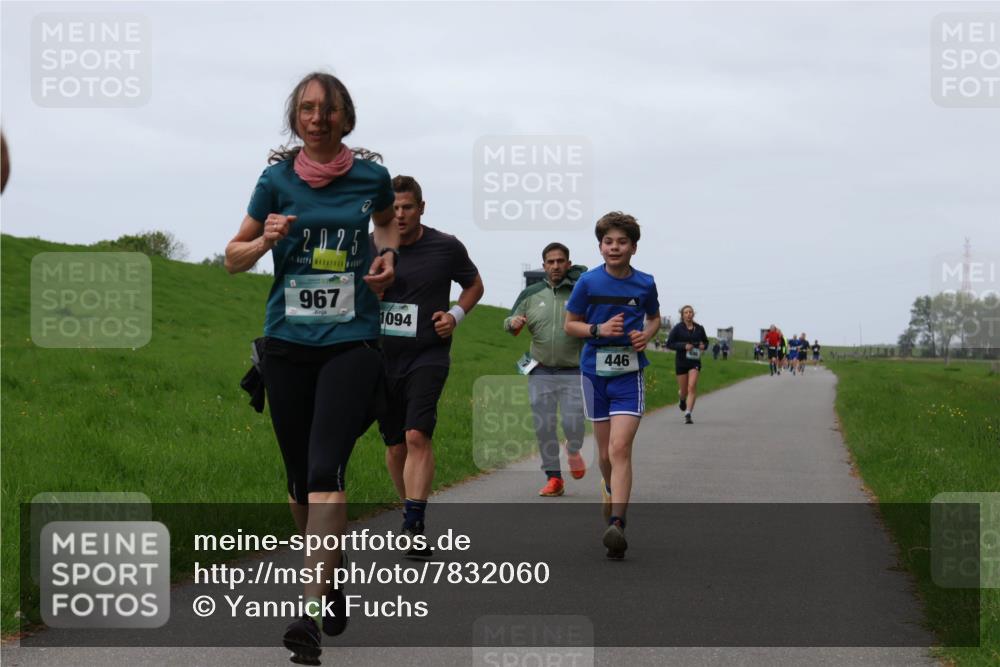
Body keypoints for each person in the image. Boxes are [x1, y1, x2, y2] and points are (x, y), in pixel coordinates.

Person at [225, 71, 398, 664]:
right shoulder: (274, 181)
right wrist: (264, 240)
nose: (318, 117)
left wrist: (388, 258)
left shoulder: (373, 177)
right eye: (307, 108)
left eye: (328, 109)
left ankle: (305, 612)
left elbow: (384, 225)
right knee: (299, 482)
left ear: (345, 117)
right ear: (295, 117)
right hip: (286, 344)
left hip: (352, 341)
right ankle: (332, 573)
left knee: (327, 470)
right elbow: (231, 258)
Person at [377, 175, 483, 558]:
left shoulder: (446, 247)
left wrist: (455, 315)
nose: (400, 214)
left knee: (416, 435)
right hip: (380, 357)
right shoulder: (372, 247)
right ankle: (409, 509)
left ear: (421, 208)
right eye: (393, 208)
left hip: (428, 354)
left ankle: (414, 522)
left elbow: (474, 285)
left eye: (407, 207)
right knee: (393, 446)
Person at [564, 212, 661, 560]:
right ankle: (609, 486)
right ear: (600, 246)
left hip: (628, 374)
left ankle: (617, 523)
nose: (614, 247)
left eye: (621, 242)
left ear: (634, 247)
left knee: (620, 449)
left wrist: (645, 336)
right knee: (604, 455)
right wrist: (597, 330)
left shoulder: (645, 283)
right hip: (593, 372)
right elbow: (570, 325)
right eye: (608, 242)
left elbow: (654, 318)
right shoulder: (588, 283)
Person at [504, 242, 587, 497]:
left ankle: (573, 449)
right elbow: (508, 321)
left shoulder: (579, 291)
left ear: (568, 264)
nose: (555, 266)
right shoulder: (531, 294)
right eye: (550, 262)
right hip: (540, 370)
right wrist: (513, 322)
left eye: (560, 261)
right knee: (544, 425)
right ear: (543, 266)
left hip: (572, 370)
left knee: (573, 421)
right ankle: (554, 478)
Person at [666, 306, 709, 424]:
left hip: (695, 362)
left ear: (693, 314)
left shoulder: (699, 328)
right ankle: (682, 399)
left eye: (690, 312)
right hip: (681, 362)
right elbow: (669, 344)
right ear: (682, 315)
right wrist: (684, 346)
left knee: (692, 386)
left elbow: (706, 342)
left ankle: (688, 413)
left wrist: (703, 346)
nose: (689, 314)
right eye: (686, 312)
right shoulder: (678, 328)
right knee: (684, 390)